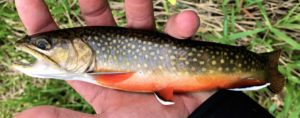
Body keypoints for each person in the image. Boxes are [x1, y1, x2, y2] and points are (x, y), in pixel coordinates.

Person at [14, 0, 274, 118]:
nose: (39, 48)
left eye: (43, 45)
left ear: (80, 48)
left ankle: (265, 67)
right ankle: (264, 67)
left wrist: (212, 109)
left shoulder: (99, 71)